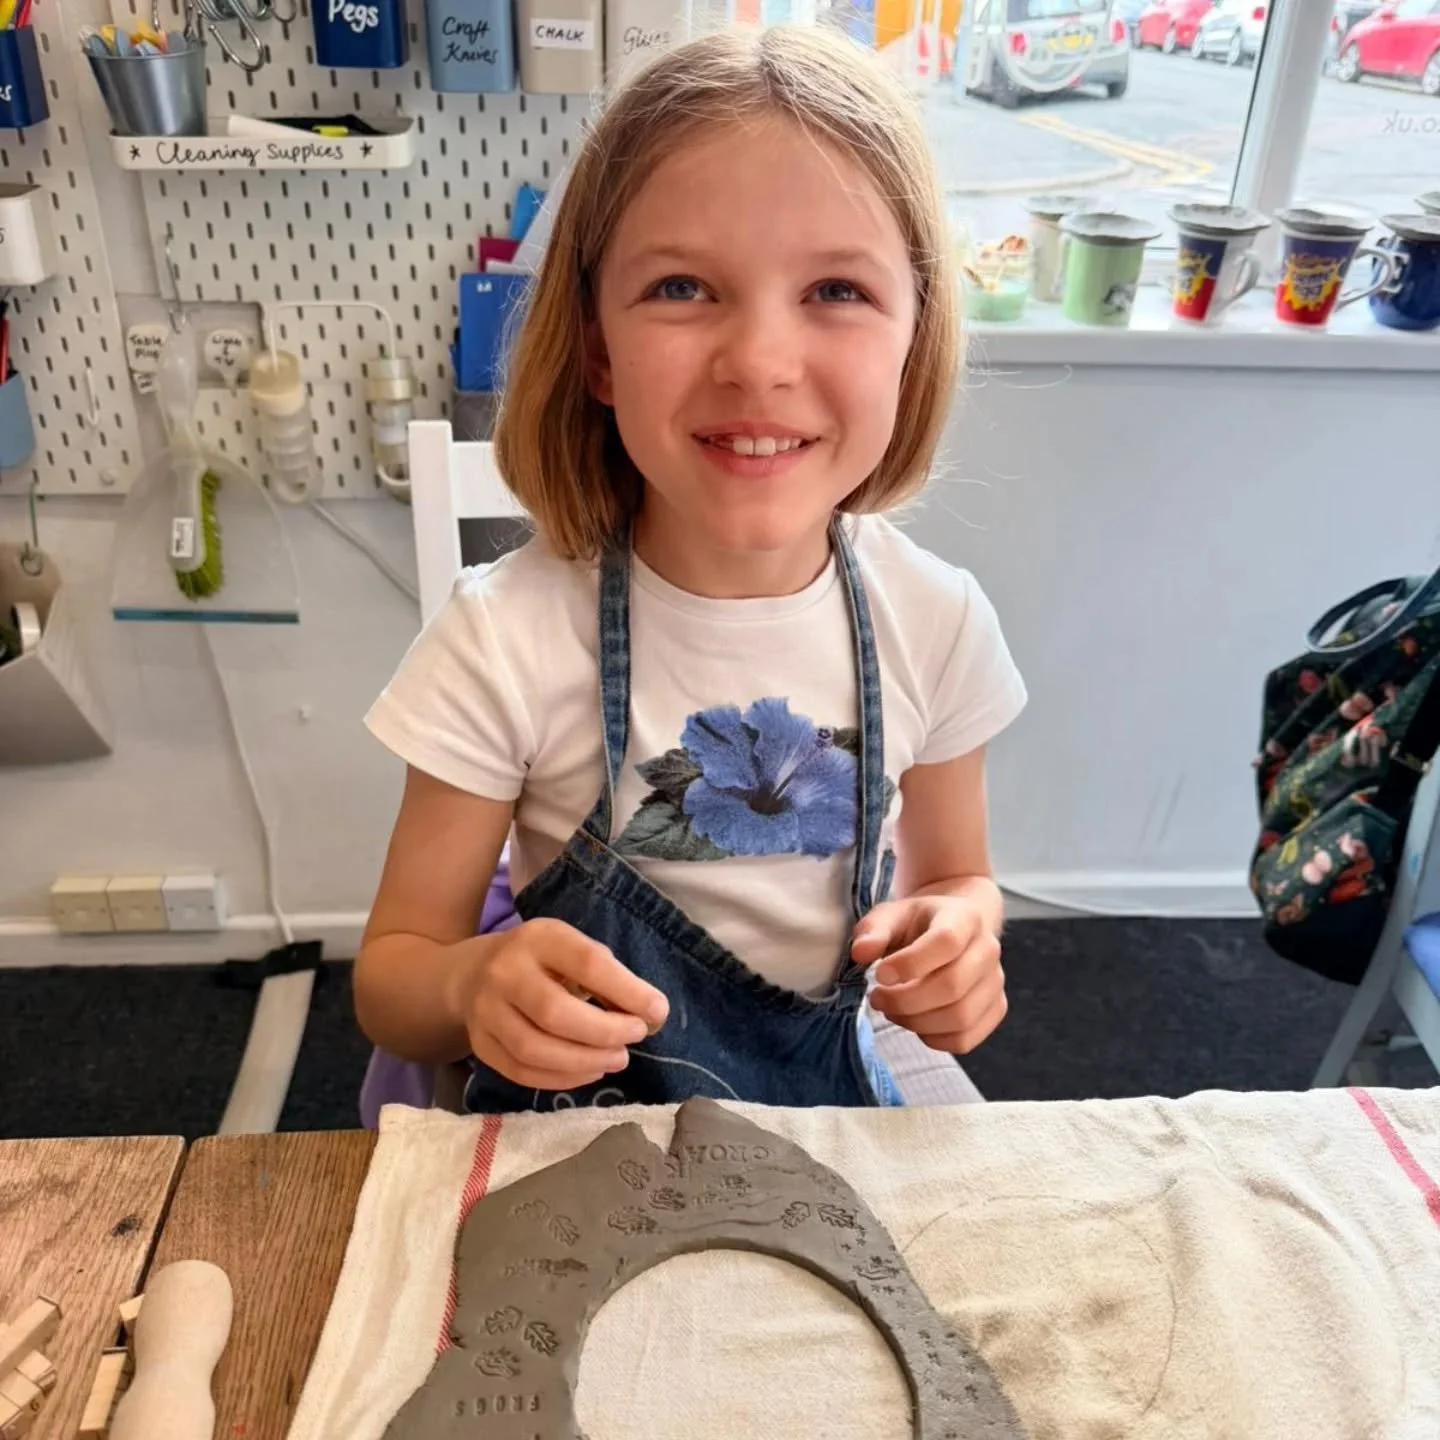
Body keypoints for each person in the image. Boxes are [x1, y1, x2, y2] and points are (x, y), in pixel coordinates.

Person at [355, 23, 1027, 1116]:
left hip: (828, 1100)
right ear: (598, 351)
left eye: (837, 292)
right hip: (580, 1124)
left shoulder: (937, 622)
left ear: (917, 332)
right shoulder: (504, 640)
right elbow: (394, 979)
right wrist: (471, 982)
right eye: (681, 287)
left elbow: (959, 877)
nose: (759, 361)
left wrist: (958, 935)